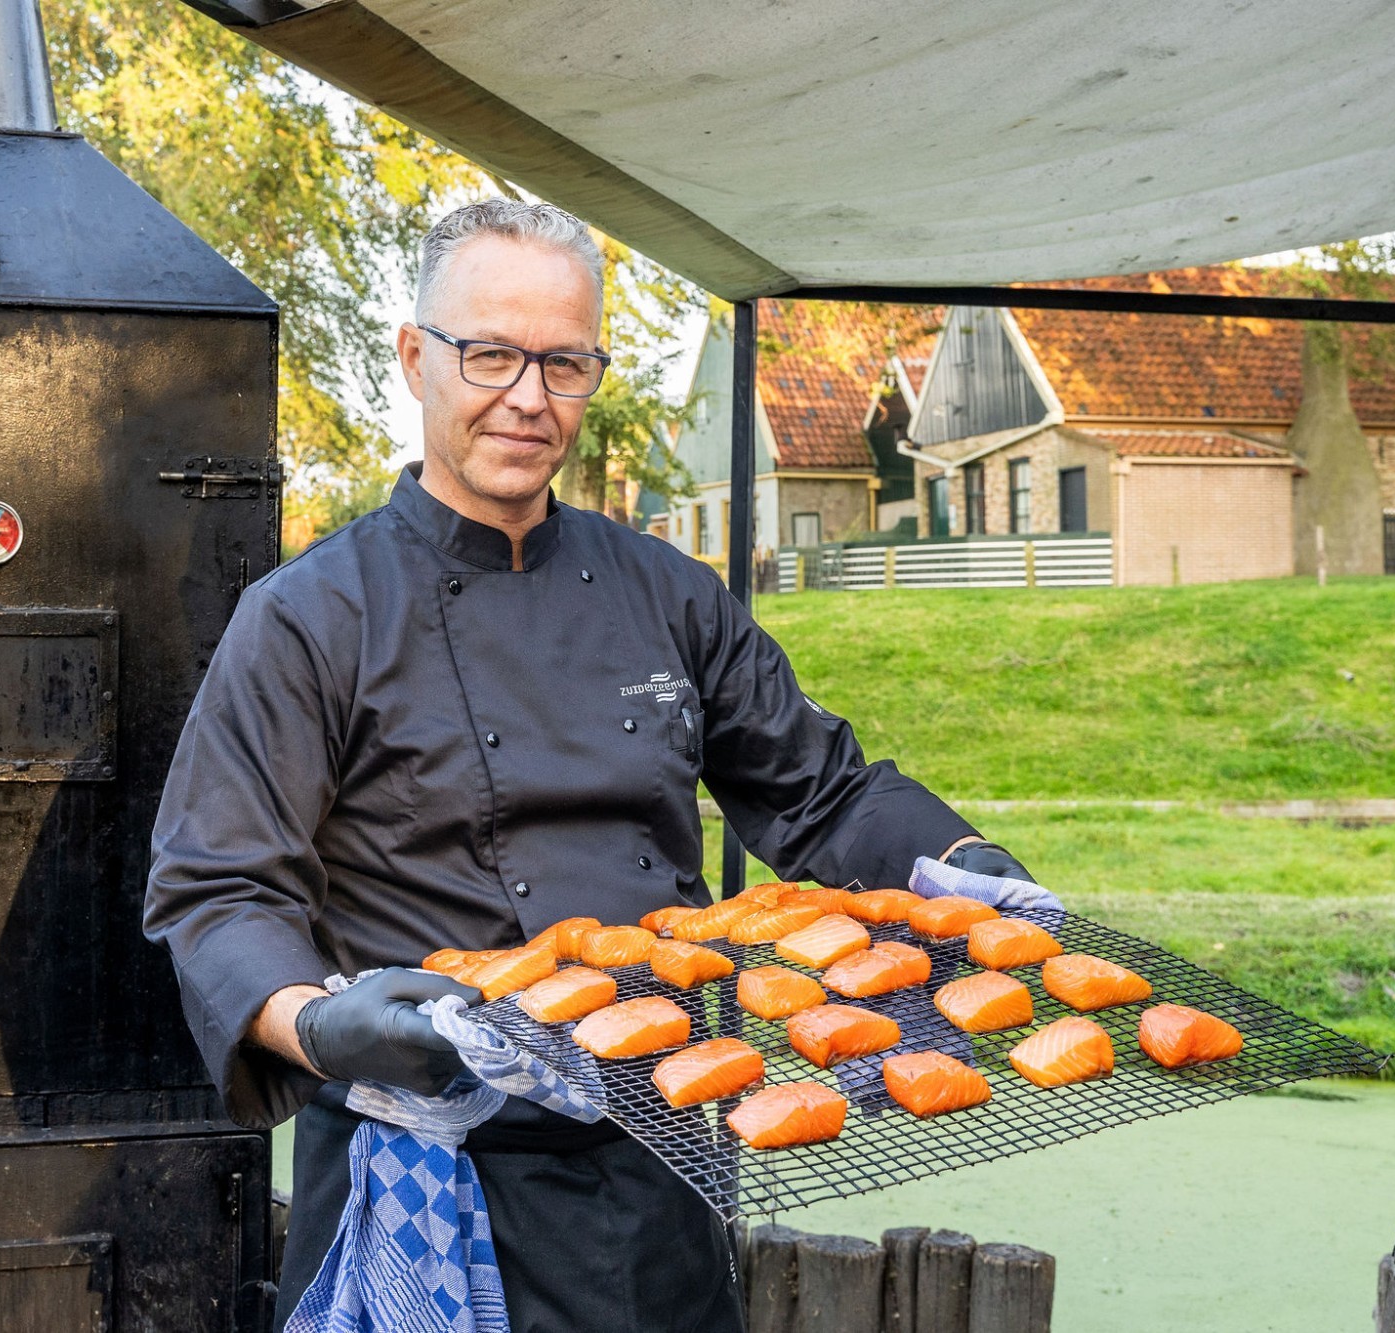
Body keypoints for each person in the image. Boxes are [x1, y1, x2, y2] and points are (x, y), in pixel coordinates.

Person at [143, 198, 1036, 1332]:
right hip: (433, 1178)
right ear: (416, 359)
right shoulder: (311, 616)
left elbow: (820, 790)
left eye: (564, 363)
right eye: (491, 354)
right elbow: (216, 892)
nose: (528, 397)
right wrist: (317, 1020)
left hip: (658, 1156)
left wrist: (954, 859)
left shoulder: (665, 594)